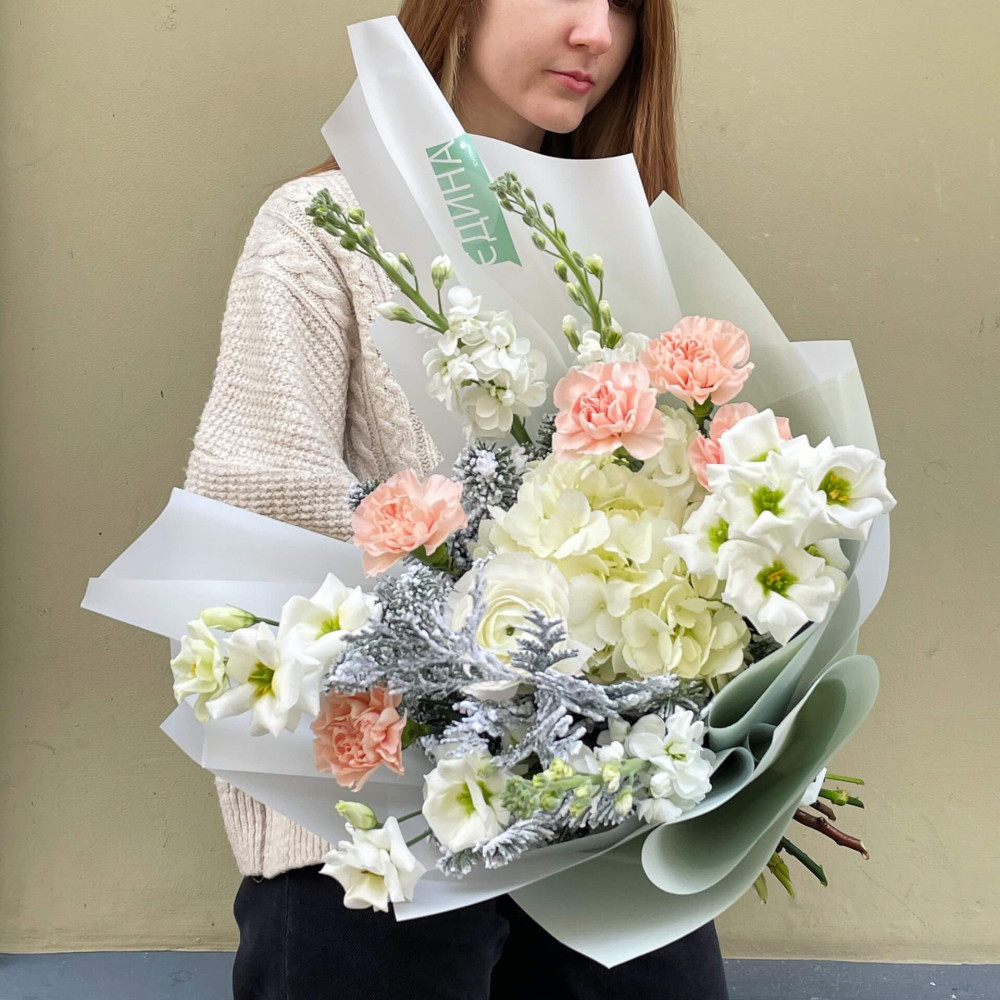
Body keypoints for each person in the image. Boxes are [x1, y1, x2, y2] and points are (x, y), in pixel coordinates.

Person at [182, 0, 728, 996]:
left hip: (604, 816)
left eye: (623, 5)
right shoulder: (320, 229)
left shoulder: (623, 251)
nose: (597, 35)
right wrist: (483, 625)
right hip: (370, 832)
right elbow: (251, 513)